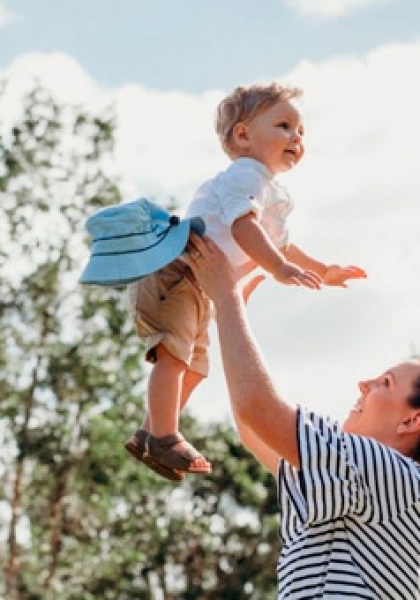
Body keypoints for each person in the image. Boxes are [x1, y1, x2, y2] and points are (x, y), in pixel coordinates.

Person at [124, 82, 366, 481]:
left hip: (200, 285)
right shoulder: (245, 176)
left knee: (196, 367)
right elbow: (243, 228)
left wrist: (325, 270)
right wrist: (275, 268)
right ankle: (164, 436)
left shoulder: (271, 190)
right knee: (174, 356)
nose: (297, 137)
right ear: (242, 134)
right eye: (285, 125)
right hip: (177, 271)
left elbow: (283, 245)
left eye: (301, 131)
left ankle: (151, 432)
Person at [184, 233, 420, 599]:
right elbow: (254, 429)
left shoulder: (395, 477)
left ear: (412, 421)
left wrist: (226, 297)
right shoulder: (365, 485)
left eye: (384, 383)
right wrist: (230, 316)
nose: (364, 383)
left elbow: (258, 409)